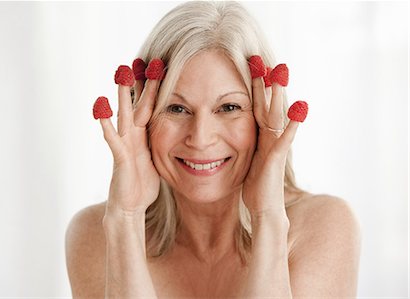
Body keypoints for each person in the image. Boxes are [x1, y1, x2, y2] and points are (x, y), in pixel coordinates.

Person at [65, 1, 361, 298]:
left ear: (265, 115)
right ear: (141, 115)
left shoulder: (324, 226)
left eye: (228, 107)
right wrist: (126, 218)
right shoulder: (96, 234)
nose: (201, 138)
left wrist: (268, 217)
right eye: (177, 108)